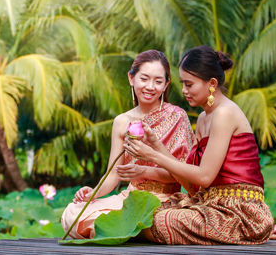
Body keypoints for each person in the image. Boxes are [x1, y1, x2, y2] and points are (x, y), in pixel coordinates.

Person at [122, 45, 275, 245]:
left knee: (158, 221)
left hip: (239, 212)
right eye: (183, 84)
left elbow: (204, 176)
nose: (184, 91)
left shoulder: (224, 113)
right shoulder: (204, 118)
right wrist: (156, 145)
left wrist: (152, 156)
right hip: (208, 203)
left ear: (211, 83)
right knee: (147, 214)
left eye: (189, 84)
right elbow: (194, 187)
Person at [61, 50, 195, 239]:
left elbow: (183, 174)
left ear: (166, 85)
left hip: (166, 201)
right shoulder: (122, 121)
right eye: (144, 79)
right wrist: (93, 193)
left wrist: (144, 172)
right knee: (73, 214)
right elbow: (114, 174)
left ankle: (134, 230)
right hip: (131, 199)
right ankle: (135, 231)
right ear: (131, 79)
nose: (150, 87)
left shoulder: (177, 116)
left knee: (164, 221)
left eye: (158, 81)